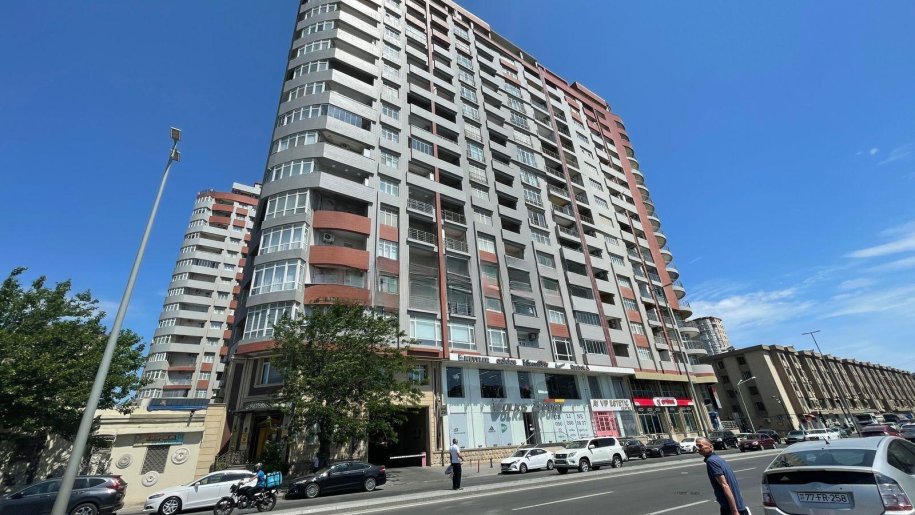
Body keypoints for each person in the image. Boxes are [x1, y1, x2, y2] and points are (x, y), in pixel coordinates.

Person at [696, 437, 750, 515]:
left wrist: (734, 511)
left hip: (731, 508)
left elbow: (725, 485)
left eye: (700, 446)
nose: (698, 448)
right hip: (738, 505)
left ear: (710, 446)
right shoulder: (719, 459)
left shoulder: (711, 462)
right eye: (697, 446)